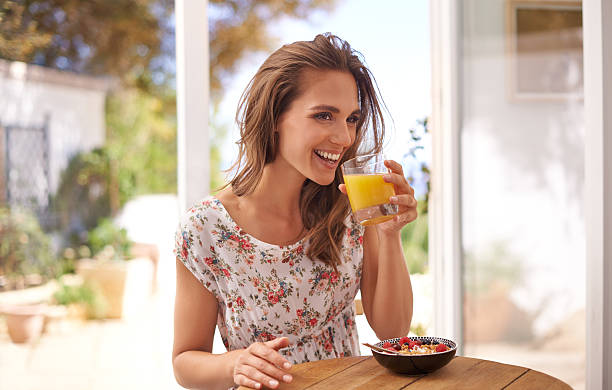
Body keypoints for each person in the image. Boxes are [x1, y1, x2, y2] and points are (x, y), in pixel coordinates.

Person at [172, 33, 417, 390]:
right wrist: (235, 362)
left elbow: (393, 331)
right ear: (274, 117)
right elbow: (185, 362)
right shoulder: (206, 229)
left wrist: (389, 232)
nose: (345, 137)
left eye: (351, 118)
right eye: (323, 116)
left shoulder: (350, 207)